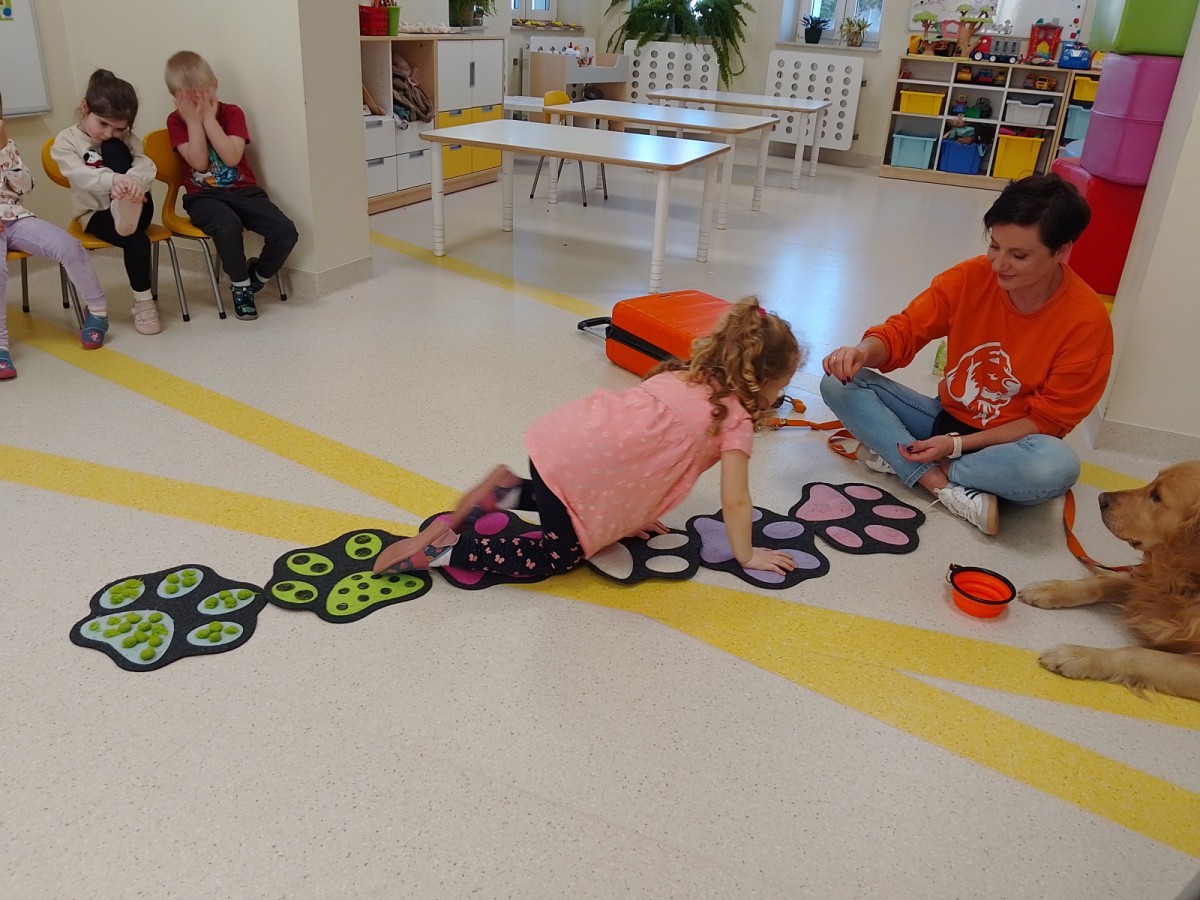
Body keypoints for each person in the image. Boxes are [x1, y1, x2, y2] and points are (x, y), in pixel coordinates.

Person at [373, 297, 804, 579]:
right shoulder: (734, 420)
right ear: (760, 379)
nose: (778, 396)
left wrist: (626, 516)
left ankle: (506, 492)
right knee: (557, 557)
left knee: (564, 499)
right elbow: (736, 501)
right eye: (780, 386)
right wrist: (747, 555)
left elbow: (634, 451)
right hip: (578, 468)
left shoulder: (684, 375)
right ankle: (449, 550)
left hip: (560, 442)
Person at [820, 174, 1113, 536]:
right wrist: (862, 352)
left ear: (1061, 251)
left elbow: (1048, 421)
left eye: (1019, 255)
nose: (999, 264)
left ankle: (912, 463)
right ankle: (939, 484)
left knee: (1056, 467)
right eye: (995, 246)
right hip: (944, 421)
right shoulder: (969, 278)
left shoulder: (1085, 320)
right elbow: (905, 330)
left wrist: (955, 447)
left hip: (1010, 446)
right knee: (837, 382)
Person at [164, 50, 298, 322]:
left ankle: (256, 276)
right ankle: (240, 287)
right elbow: (199, 163)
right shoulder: (176, 121)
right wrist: (194, 122)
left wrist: (209, 120)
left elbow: (232, 157)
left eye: (204, 94)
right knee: (227, 225)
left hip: (243, 191)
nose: (198, 103)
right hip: (203, 197)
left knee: (285, 231)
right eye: (190, 98)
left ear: (214, 86)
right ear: (176, 98)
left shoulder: (232, 113)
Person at [1, 90, 111, 377]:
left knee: (69, 245)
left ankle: (97, 312)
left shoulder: (7, 145)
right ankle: (0, 346)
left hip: (14, 217)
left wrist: (4, 151)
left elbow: (25, 187)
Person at [50, 68, 161, 339]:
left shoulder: (124, 138)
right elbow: (79, 174)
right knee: (136, 240)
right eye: (102, 124)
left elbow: (146, 164)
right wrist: (114, 181)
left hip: (137, 207)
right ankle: (144, 301)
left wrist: (132, 181)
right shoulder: (67, 141)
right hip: (95, 213)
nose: (109, 133)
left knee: (115, 149)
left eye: (120, 128)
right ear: (84, 108)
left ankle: (125, 206)